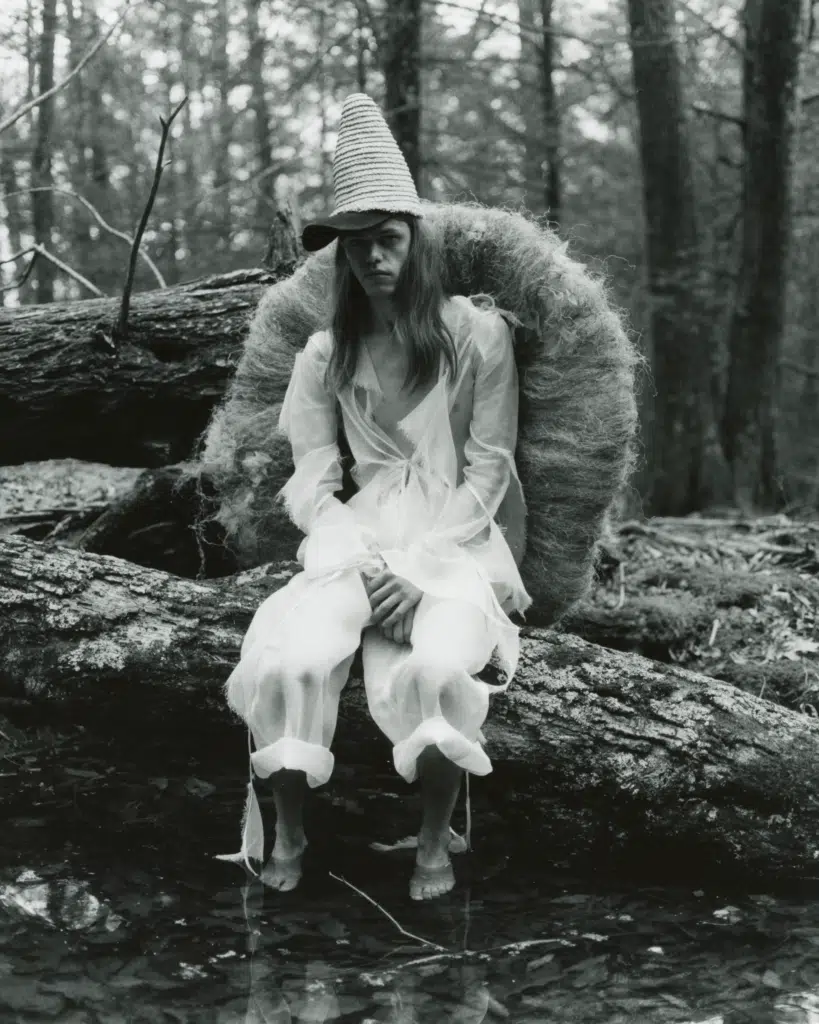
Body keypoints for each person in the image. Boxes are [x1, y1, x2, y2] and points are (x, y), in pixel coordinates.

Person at [219, 93, 532, 901]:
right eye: (354, 248)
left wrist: (424, 570)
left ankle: (434, 839)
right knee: (288, 658)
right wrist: (357, 565)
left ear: (415, 242)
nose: (371, 261)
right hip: (356, 538)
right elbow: (313, 479)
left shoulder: (475, 335)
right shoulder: (326, 353)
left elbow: (490, 467)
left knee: (432, 665)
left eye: (386, 241)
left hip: (454, 537)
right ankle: (289, 829)